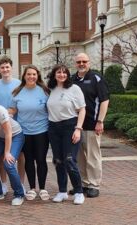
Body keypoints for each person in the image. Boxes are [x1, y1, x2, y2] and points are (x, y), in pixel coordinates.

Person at [9, 65, 51, 201]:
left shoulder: (44, 91)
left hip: (42, 131)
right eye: (29, 74)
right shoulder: (17, 92)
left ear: (37, 76)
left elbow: (51, 109)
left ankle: (43, 188)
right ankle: (32, 188)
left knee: (41, 159)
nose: (31, 77)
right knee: (29, 160)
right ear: (24, 76)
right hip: (24, 132)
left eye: (34, 74)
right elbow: (13, 110)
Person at [46, 64, 86, 205]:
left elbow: (82, 109)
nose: (61, 75)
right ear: (54, 74)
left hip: (70, 126)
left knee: (69, 160)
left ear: (68, 75)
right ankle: (62, 191)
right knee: (58, 161)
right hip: (54, 128)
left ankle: (79, 192)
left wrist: (78, 128)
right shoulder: (50, 89)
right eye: (58, 72)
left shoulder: (74, 89)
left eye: (64, 72)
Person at [72, 53, 110, 198]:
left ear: (89, 62)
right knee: (80, 157)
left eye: (84, 61)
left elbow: (104, 100)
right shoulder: (72, 79)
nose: (81, 64)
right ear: (75, 63)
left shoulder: (96, 78)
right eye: (78, 62)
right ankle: (83, 184)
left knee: (93, 156)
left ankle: (94, 185)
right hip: (76, 126)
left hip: (92, 125)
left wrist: (100, 121)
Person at [0, 57, 23, 195]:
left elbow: (21, 102)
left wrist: (12, 111)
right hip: (0, 127)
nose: (5, 70)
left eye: (7, 67)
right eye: (2, 67)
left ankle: (21, 183)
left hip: (16, 126)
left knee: (20, 156)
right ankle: (3, 184)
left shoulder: (19, 84)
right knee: (1, 157)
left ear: (11, 68)